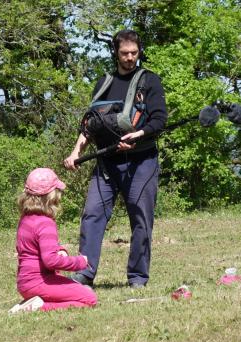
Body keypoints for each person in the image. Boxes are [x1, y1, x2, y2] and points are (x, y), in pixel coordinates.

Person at [63, 29, 167, 288]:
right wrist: (76, 151)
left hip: (141, 161)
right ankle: (85, 273)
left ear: (139, 52)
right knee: (92, 215)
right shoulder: (104, 83)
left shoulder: (150, 81)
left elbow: (159, 120)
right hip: (106, 163)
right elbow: (89, 123)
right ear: (116, 53)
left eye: (134, 53)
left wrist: (137, 135)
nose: (130, 58)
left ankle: (137, 278)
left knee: (141, 218)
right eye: (124, 53)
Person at [9, 168, 97, 313]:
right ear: (51, 196)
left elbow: (37, 249)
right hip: (39, 282)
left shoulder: (25, 219)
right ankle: (37, 307)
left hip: (25, 283)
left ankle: (31, 302)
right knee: (89, 298)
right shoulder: (45, 223)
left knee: (80, 290)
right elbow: (51, 261)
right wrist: (80, 262)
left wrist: (60, 250)